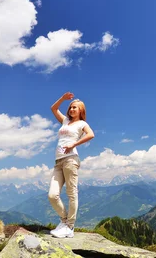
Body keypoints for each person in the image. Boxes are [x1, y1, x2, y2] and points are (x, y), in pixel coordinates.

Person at [48, 92, 95, 238]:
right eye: (71, 107)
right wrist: (62, 98)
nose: (72, 109)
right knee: (52, 195)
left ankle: (70, 226)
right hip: (58, 161)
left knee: (71, 193)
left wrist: (74, 143)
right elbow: (53, 109)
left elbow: (91, 134)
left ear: (81, 110)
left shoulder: (82, 124)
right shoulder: (65, 121)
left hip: (71, 159)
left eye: (75, 107)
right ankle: (64, 221)